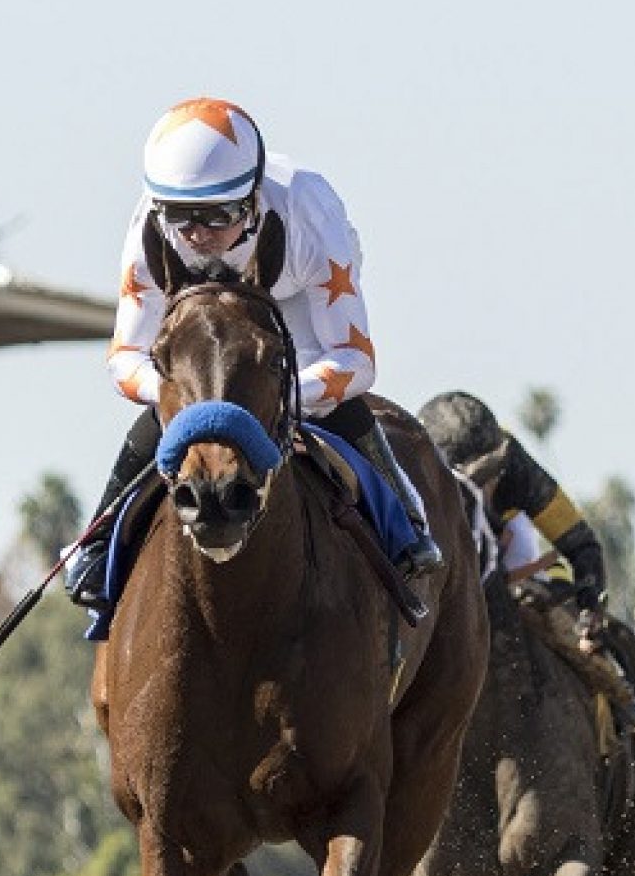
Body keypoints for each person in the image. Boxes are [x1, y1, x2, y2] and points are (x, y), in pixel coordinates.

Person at [63, 97, 442, 609]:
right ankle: (98, 538)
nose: (197, 237)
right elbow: (124, 357)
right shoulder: (150, 228)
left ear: (251, 200)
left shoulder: (310, 213)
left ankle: (406, 520)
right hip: (196, 306)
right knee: (174, 400)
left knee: (327, 397)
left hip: (294, 294)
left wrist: (280, 394)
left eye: (215, 218)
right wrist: (181, 399)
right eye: (181, 219)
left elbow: (355, 361)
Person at [417, 390, 635, 733]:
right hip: (439, 581)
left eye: (487, 478)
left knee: (545, 614)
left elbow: (583, 545)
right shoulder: (408, 467)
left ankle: (622, 697)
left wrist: (589, 618)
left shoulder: (519, 471)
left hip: (517, 577)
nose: (481, 489)